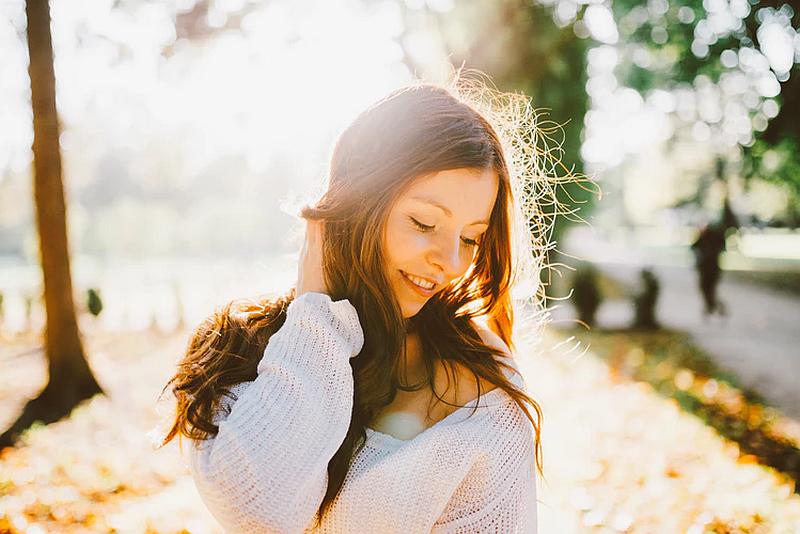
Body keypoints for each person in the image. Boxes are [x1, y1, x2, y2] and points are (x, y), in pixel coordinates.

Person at [160, 77, 558, 533]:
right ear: (357, 203)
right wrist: (316, 314)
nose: (450, 261)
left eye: (470, 237)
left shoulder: (483, 379)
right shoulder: (238, 349)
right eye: (424, 223)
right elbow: (260, 512)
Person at [690, 222, 727, 317]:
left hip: (709, 270)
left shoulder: (711, 239)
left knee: (708, 290)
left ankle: (714, 307)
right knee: (707, 290)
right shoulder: (704, 238)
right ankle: (712, 307)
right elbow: (693, 247)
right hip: (708, 270)